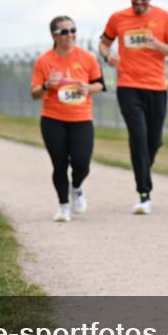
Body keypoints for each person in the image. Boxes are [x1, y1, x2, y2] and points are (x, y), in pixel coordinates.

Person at [98, 0, 168, 215]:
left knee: (154, 141)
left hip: (156, 87)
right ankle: (144, 194)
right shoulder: (118, 18)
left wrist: (159, 46)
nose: (139, 1)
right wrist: (108, 56)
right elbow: (104, 43)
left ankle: (143, 167)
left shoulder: (163, 17)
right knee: (138, 137)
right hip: (128, 86)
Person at [31, 16, 105, 222]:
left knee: (82, 163)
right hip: (53, 118)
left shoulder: (87, 58)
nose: (70, 35)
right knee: (60, 164)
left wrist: (87, 88)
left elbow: (100, 85)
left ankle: (77, 187)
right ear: (54, 36)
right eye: (64, 32)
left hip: (81, 118)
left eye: (73, 30)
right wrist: (47, 85)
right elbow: (35, 94)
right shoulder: (44, 61)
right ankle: (63, 206)